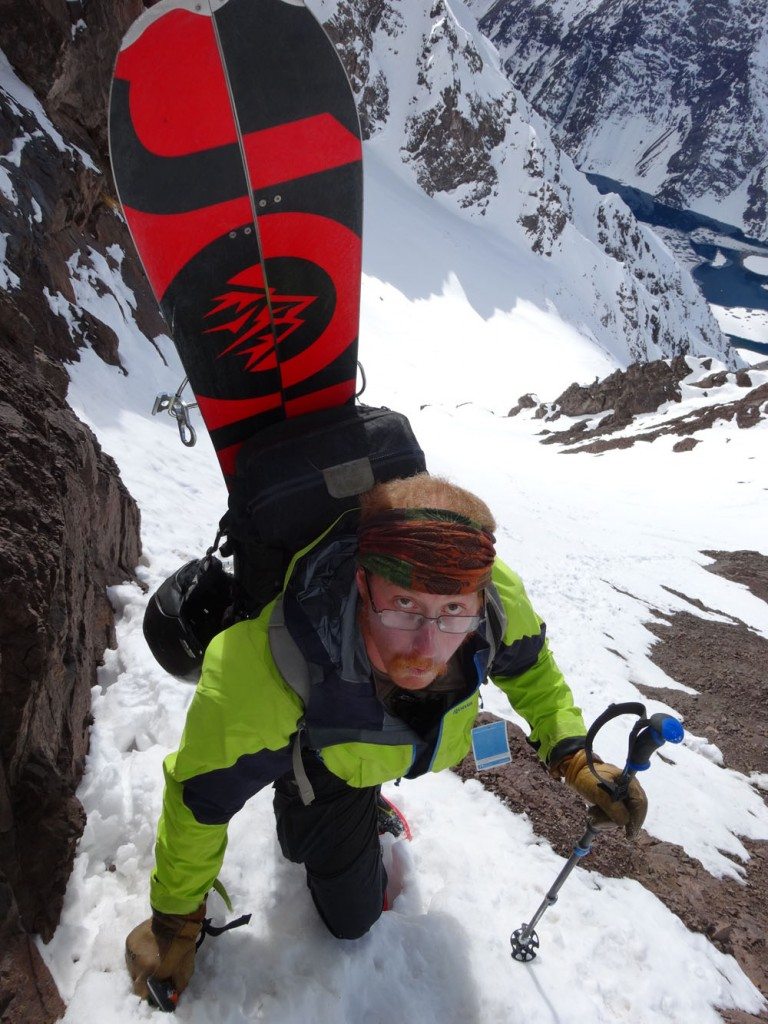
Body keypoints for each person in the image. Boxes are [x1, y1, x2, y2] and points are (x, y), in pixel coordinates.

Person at [125, 473, 647, 1003]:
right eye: (403, 604)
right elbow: (200, 801)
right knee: (352, 921)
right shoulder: (268, 666)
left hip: (375, 743)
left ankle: (364, 788)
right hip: (322, 756)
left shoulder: (491, 598)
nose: (427, 643)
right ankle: (301, 790)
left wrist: (571, 751)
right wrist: (176, 921)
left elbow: (533, 672)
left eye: (451, 612)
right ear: (361, 583)